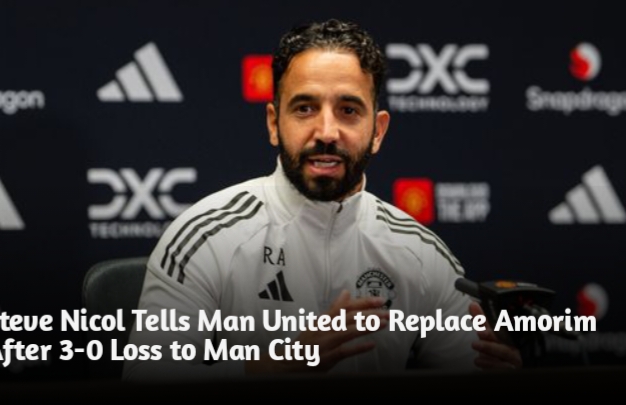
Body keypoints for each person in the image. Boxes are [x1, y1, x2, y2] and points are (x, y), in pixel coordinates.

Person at [123, 19, 521, 381]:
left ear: (377, 131)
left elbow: (475, 366)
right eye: (305, 108)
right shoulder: (206, 238)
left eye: (348, 110)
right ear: (274, 124)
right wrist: (279, 365)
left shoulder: (421, 254)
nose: (327, 131)